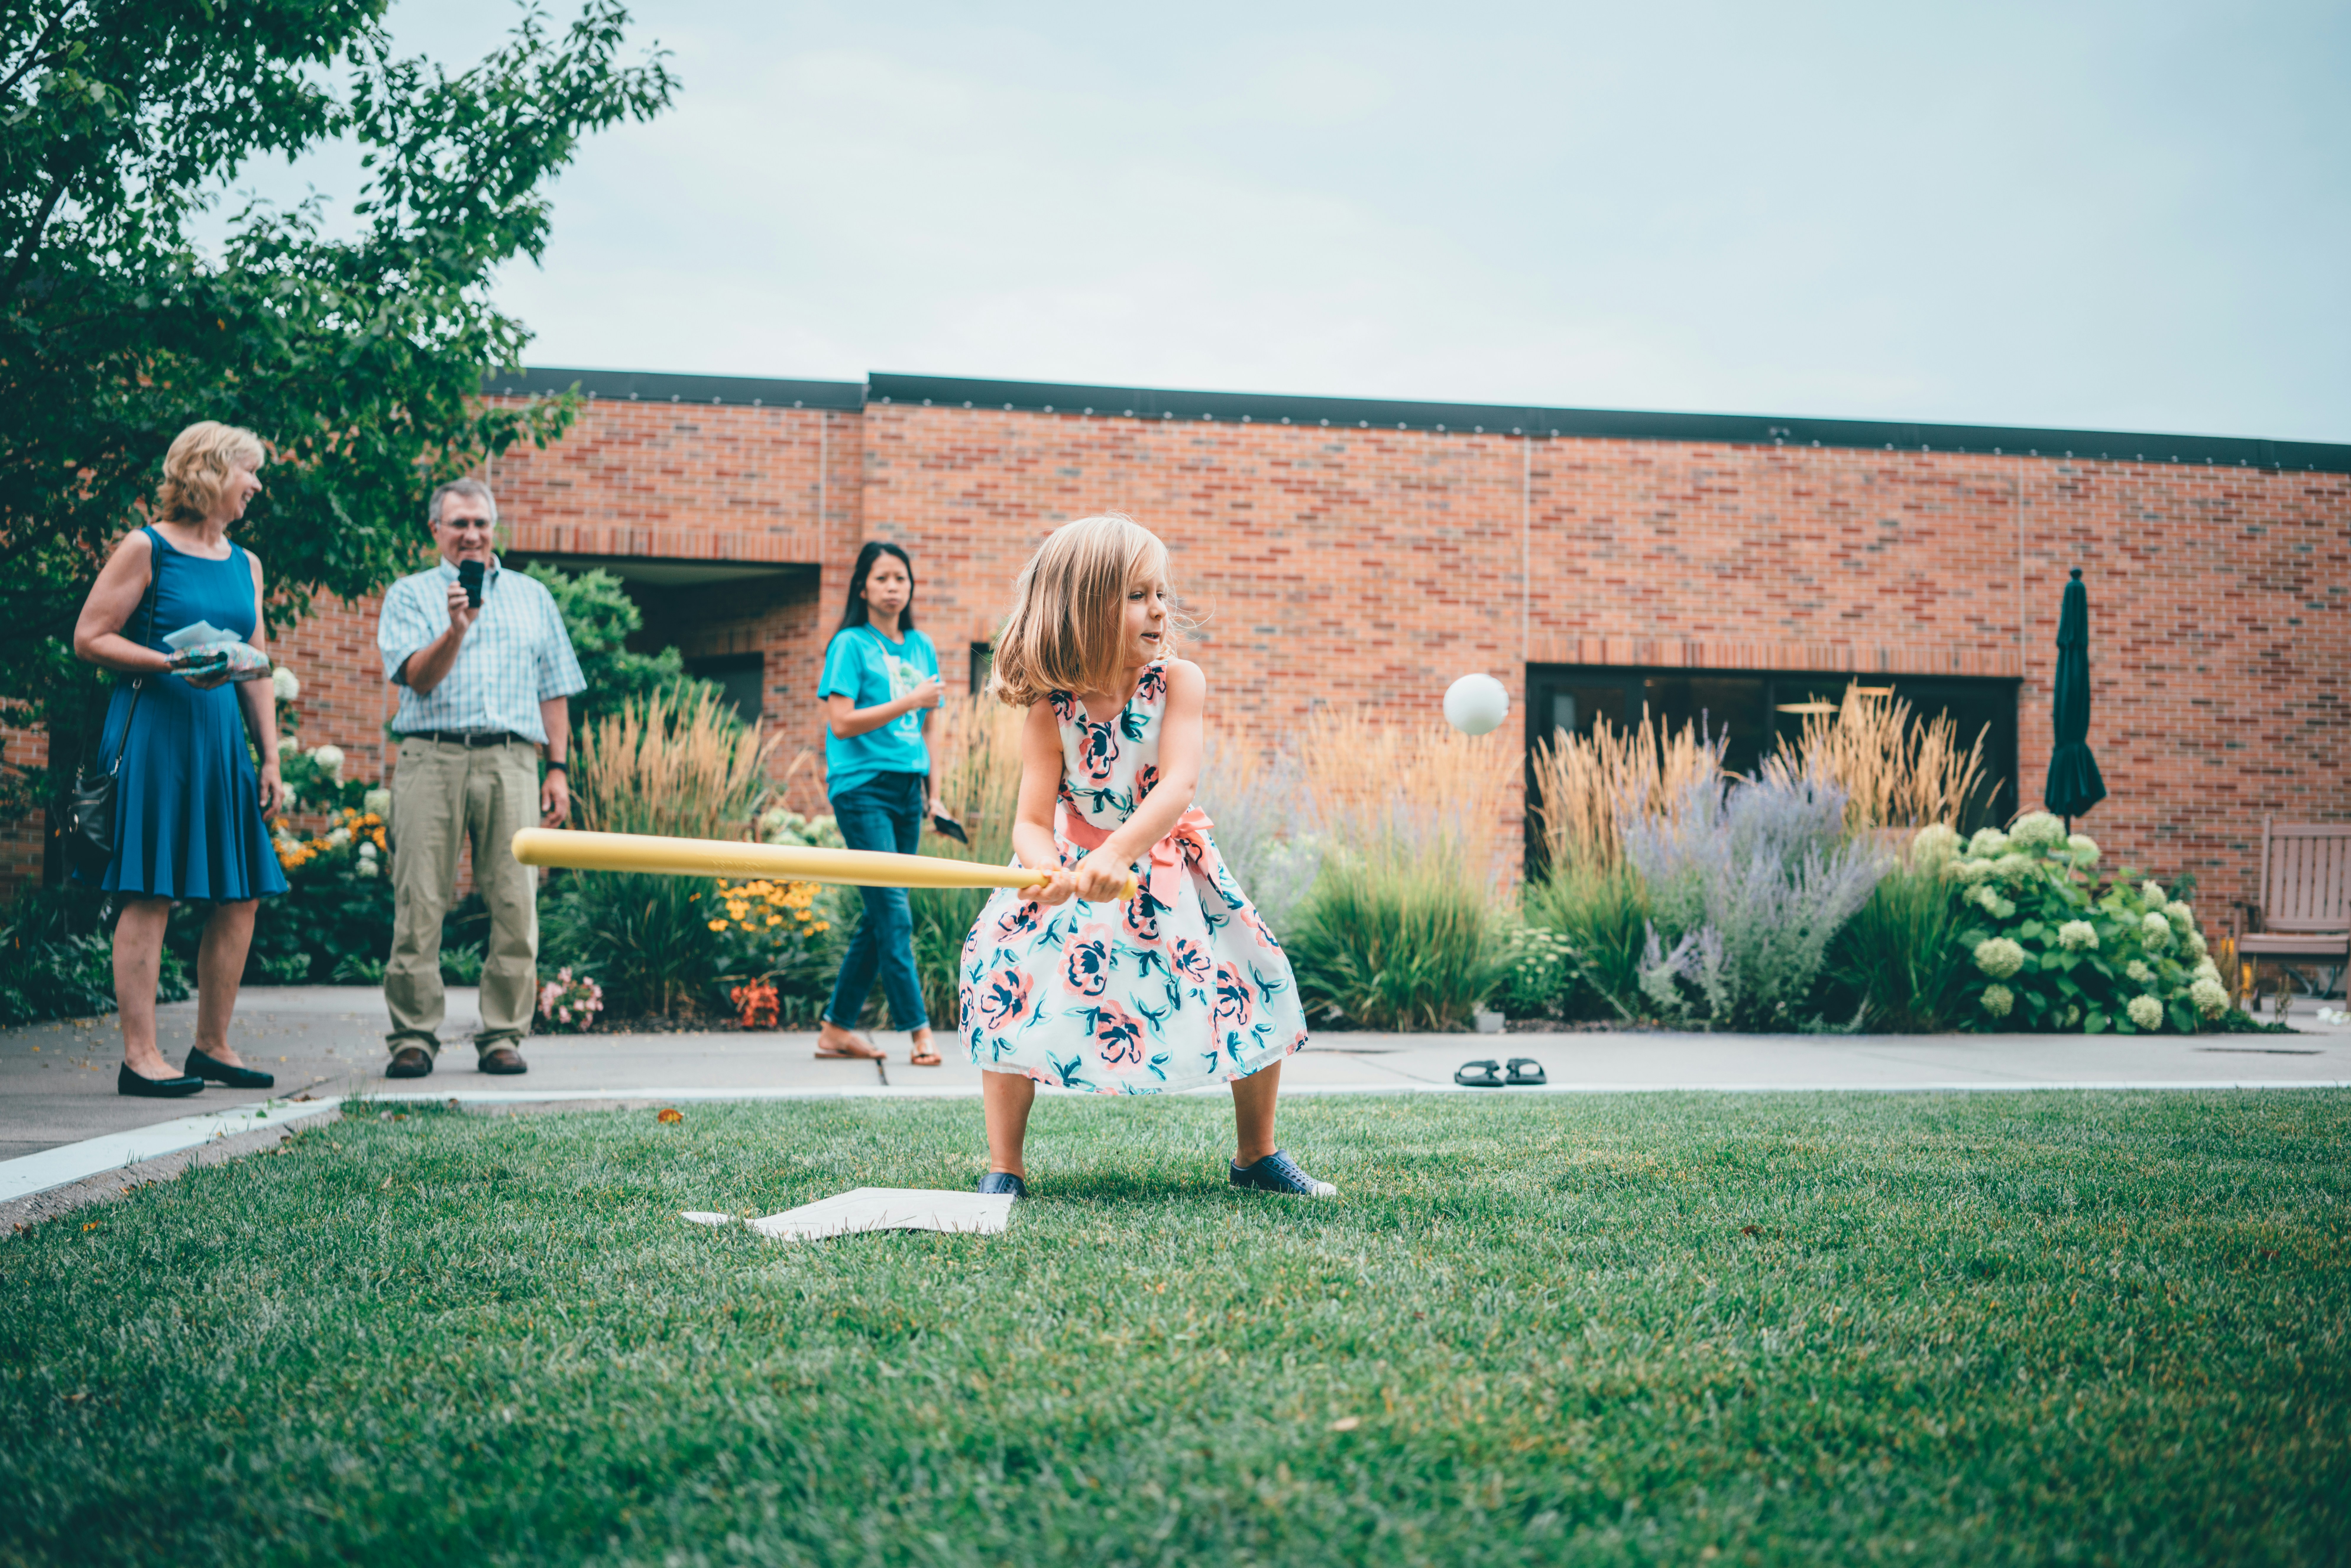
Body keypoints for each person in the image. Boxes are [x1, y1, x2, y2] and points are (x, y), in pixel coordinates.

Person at [958, 514, 1331, 1198]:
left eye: (1159, 592)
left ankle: (1256, 1155)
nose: (1159, 609)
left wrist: (1121, 854)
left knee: (1252, 976)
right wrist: (1047, 874)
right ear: (1083, 609)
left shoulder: (1178, 682)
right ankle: (1004, 1165)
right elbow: (1029, 821)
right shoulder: (1051, 710)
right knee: (1002, 976)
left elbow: (1177, 787)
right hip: (1075, 869)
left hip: (1166, 866)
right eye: (1137, 595)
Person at [71, 422, 288, 1098]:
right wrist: (169, 661)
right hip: (156, 731)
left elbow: (255, 665)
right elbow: (89, 637)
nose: (257, 484)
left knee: (241, 894)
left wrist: (271, 758)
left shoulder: (245, 563)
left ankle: (211, 1047)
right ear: (212, 471)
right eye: (249, 471)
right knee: (151, 888)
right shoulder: (148, 548)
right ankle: (141, 1058)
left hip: (222, 739)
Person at [375, 478, 583, 1078]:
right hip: (431, 757)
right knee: (419, 897)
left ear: (495, 529)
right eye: (460, 523)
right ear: (435, 530)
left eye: (482, 524)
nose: (472, 534)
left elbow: (555, 690)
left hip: (513, 761)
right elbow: (416, 679)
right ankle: (413, 1036)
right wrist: (456, 630)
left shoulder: (532, 597)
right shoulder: (411, 596)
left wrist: (558, 769)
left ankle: (503, 1035)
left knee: (516, 900)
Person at [815, 542, 958, 1065]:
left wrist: (934, 793)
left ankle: (835, 1030)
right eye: (882, 579)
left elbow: (932, 726)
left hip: (906, 788)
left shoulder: (921, 645)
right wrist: (909, 701)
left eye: (902, 578)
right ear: (863, 588)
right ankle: (920, 1032)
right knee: (895, 913)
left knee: (881, 913)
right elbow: (842, 722)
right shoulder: (850, 645)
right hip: (861, 788)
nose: (894, 587)